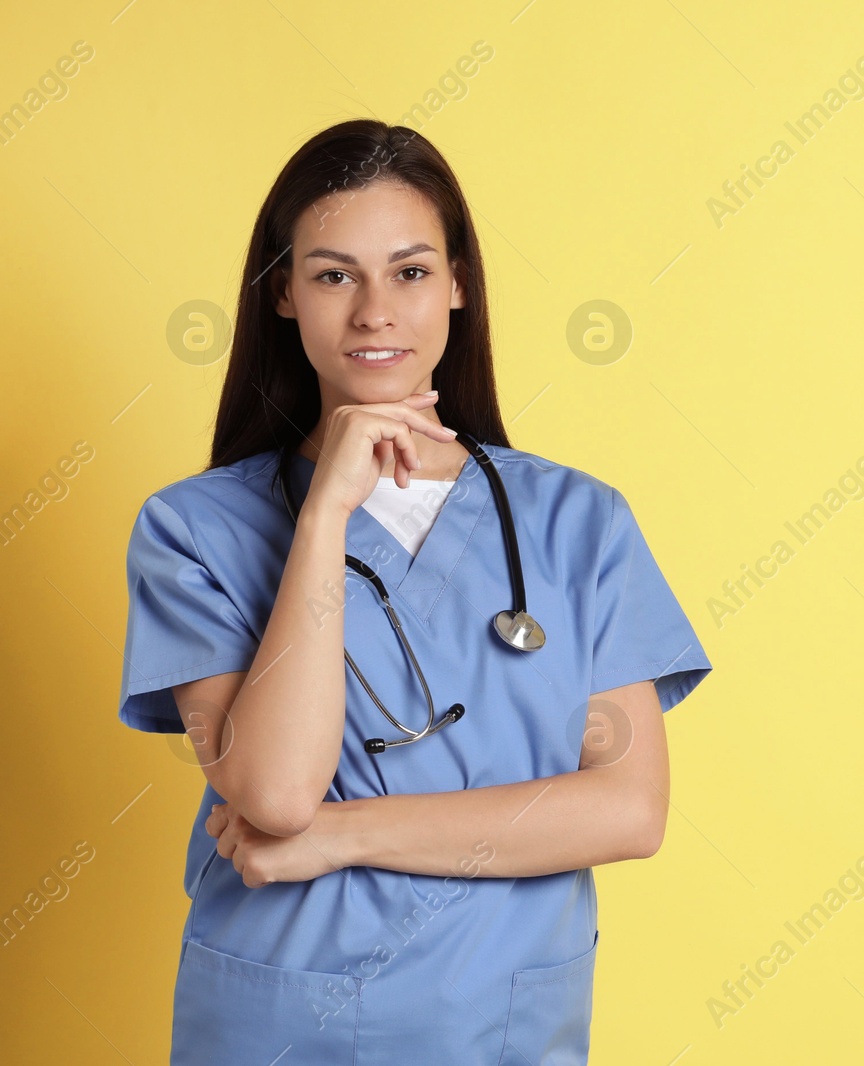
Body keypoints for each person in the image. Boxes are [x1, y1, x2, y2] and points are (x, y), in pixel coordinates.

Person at [116, 119, 712, 1064]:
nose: (374, 313)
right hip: (281, 1029)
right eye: (332, 274)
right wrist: (322, 520)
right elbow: (273, 789)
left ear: (460, 284)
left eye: (410, 271)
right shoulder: (195, 532)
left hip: (501, 1025)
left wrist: (339, 838)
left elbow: (628, 812)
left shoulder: (576, 522)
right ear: (283, 295)